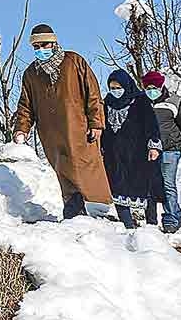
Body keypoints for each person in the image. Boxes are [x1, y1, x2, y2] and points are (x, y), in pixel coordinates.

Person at [13, 24, 113, 219]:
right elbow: (26, 105)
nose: (41, 50)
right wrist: (21, 129)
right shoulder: (31, 73)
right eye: (36, 47)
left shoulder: (73, 61)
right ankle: (73, 210)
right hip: (51, 134)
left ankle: (101, 211)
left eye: (44, 45)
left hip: (79, 129)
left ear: (54, 42)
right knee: (64, 172)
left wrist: (96, 123)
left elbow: (93, 94)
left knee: (86, 168)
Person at [101, 69, 165, 229]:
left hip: (138, 153)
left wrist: (154, 145)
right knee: (117, 186)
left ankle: (151, 224)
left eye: (118, 87)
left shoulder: (140, 100)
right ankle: (127, 224)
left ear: (126, 85)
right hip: (114, 154)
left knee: (145, 186)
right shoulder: (107, 102)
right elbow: (103, 127)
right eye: (112, 88)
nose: (115, 91)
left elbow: (152, 125)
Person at [142, 70, 181, 233]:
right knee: (151, 186)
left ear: (161, 86)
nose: (151, 90)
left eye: (154, 86)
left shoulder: (174, 101)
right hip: (149, 151)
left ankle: (170, 220)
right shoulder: (141, 102)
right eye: (147, 87)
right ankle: (177, 216)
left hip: (170, 150)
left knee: (167, 184)